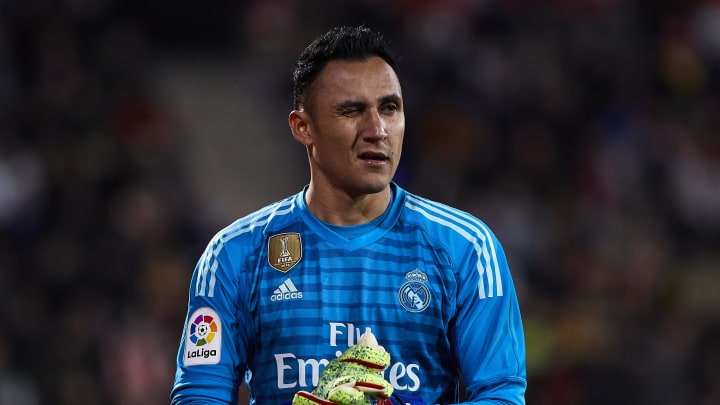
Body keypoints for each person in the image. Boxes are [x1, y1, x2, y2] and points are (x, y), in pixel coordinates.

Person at [171, 25, 527, 405]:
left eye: (389, 108)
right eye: (351, 110)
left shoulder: (466, 249)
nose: (377, 130)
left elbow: (500, 394)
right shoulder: (235, 254)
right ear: (303, 127)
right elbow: (199, 395)